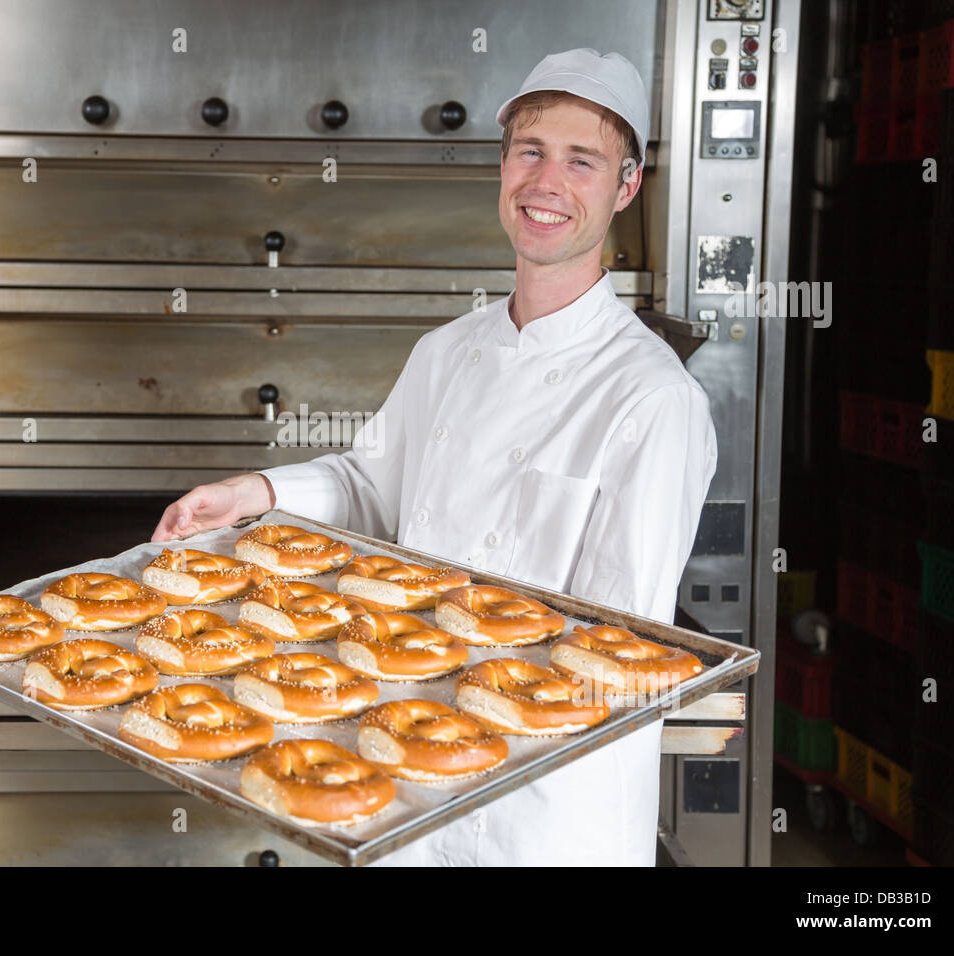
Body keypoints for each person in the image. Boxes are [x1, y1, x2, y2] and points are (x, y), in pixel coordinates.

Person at [151, 49, 717, 866]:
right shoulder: (447, 352)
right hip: (403, 783)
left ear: (625, 188)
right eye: (530, 151)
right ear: (501, 167)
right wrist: (256, 491)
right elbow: (370, 488)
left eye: (581, 161)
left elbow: (614, 661)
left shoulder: (652, 399)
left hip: (544, 818)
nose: (546, 182)